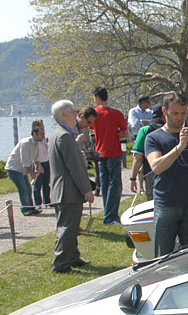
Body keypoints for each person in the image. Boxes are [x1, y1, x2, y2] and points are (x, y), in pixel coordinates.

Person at [146, 92, 188, 257]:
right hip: (166, 203)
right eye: (175, 113)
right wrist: (180, 146)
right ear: (164, 111)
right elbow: (156, 167)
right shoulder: (154, 138)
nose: (179, 117)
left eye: (183, 113)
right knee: (163, 255)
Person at [48, 100, 94, 272]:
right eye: (73, 111)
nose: (76, 114)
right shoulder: (65, 136)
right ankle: (61, 263)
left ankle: (73, 257)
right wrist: (86, 189)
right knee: (67, 227)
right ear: (65, 114)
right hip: (68, 190)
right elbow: (74, 167)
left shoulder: (57, 134)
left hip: (61, 189)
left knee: (70, 225)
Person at [89, 87, 127, 225]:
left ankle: (108, 212)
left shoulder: (95, 114)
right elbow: (125, 133)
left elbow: (92, 129)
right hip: (113, 151)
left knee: (104, 183)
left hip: (100, 151)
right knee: (115, 184)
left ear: (97, 98)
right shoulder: (116, 113)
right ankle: (111, 215)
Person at [5, 121, 44, 216]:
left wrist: (38, 166)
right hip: (14, 169)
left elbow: (36, 158)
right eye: (41, 134)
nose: (43, 136)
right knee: (23, 188)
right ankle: (25, 209)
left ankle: (31, 207)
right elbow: (25, 161)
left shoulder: (36, 144)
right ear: (34, 134)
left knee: (28, 188)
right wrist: (31, 172)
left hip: (22, 169)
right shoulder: (26, 143)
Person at [129, 103, 164, 198]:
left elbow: (138, 157)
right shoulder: (172, 129)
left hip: (151, 172)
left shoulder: (144, 130)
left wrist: (133, 178)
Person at [31, 120, 51, 210]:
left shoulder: (43, 138)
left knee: (46, 183)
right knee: (38, 184)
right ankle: (38, 203)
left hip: (46, 160)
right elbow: (34, 153)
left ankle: (47, 201)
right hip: (39, 161)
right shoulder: (34, 139)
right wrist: (37, 164)